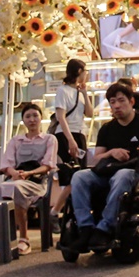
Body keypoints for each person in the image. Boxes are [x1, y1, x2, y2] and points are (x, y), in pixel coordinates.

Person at [68, 81, 139, 253]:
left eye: (120, 100)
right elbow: (96, 159)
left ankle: (105, 227)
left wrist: (137, 154)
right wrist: (112, 153)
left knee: (122, 175)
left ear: (131, 102)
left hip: (133, 173)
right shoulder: (107, 129)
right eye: (112, 102)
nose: (116, 105)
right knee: (79, 176)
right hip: (107, 172)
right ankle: (85, 227)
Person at [0, 102, 57, 255]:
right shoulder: (16, 140)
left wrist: (29, 174)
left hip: (37, 181)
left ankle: (24, 238)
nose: (32, 119)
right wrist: (14, 173)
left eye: (35, 115)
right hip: (16, 178)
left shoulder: (49, 139)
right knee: (1, 189)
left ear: (41, 118)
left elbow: (48, 165)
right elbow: (6, 164)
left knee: (15, 188)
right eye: (28, 116)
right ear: (23, 120)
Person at [51, 59, 90, 216]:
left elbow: (90, 113)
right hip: (66, 136)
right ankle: (55, 212)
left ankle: (72, 213)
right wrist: (70, 140)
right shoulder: (63, 90)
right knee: (70, 178)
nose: (87, 74)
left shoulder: (79, 92)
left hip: (80, 134)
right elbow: (61, 117)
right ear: (79, 71)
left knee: (81, 177)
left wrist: (85, 93)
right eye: (85, 71)